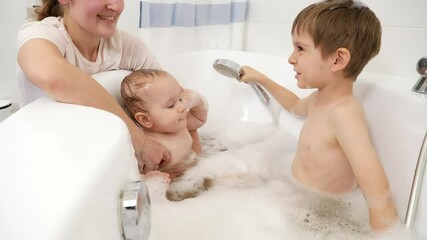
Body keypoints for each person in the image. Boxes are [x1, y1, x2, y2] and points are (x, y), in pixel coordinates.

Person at [238, 0, 397, 232]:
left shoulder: (344, 115)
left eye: (300, 48)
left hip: (322, 218)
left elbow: (378, 195)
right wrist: (261, 78)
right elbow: (293, 105)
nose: (291, 58)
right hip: (295, 199)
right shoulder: (320, 100)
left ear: (337, 60)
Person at [16, 0, 171, 172]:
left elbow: (171, 98)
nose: (117, 7)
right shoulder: (41, 34)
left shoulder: (125, 45)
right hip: (47, 164)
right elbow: (53, 76)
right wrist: (139, 141)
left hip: (99, 164)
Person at [121, 69, 208, 179]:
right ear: (145, 119)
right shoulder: (152, 148)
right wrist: (149, 178)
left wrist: (197, 99)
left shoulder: (178, 125)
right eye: (171, 105)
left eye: (180, 99)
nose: (181, 107)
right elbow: (133, 177)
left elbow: (199, 119)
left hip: (196, 174)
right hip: (175, 187)